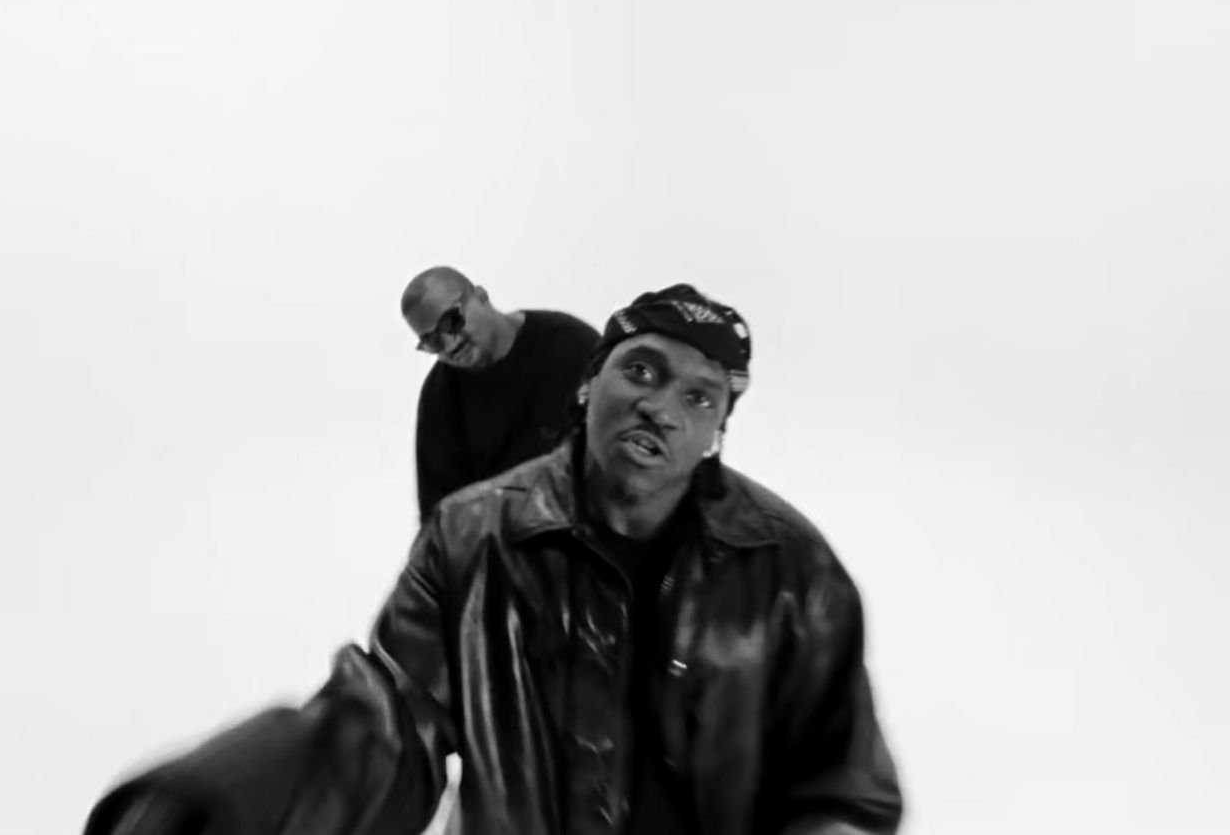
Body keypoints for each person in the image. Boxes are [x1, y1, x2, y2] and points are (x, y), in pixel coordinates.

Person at [84, 283, 903, 835]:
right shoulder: (473, 537)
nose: (662, 404)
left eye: (700, 395)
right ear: (592, 384)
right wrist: (221, 806)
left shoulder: (795, 575)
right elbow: (386, 727)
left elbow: (842, 791)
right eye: (643, 371)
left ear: (722, 422)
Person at [401, 265, 599, 522]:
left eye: (452, 322)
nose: (450, 344)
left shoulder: (570, 345)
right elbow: (441, 518)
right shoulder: (440, 400)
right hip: (513, 545)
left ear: (481, 297)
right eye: (433, 341)